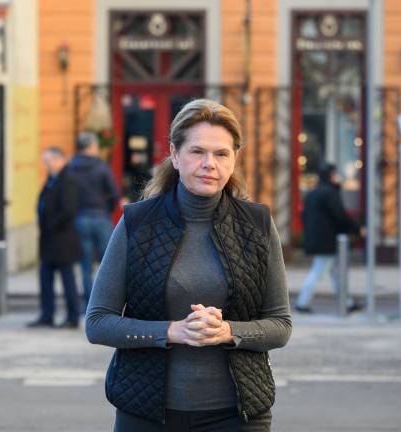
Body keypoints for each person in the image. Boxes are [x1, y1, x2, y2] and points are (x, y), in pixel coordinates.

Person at [86, 99, 291, 431]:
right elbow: (97, 323)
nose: (210, 164)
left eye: (221, 154)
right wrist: (172, 331)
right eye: (198, 151)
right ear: (175, 154)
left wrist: (228, 331)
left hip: (238, 415)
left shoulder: (258, 224)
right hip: (147, 412)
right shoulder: (137, 223)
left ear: (234, 159)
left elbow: (280, 325)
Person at [295, 163, 362, 314]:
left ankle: (347, 302)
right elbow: (340, 216)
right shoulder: (329, 193)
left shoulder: (313, 193)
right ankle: (302, 303)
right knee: (318, 272)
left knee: (336, 273)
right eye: (334, 174)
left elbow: (305, 217)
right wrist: (357, 229)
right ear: (331, 176)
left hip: (319, 239)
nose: (336, 177)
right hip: (327, 241)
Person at [28, 147, 83, 329]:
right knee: (45, 277)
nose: (46, 165)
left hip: (62, 239)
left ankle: (72, 317)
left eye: (49, 161)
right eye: (45, 161)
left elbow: (68, 211)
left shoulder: (68, 180)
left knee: (67, 279)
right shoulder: (52, 179)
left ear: (60, 160)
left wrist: (51, 225)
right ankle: (47, 315)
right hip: (48, 239)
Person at [67, 131, 119, 305]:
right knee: (109, 263)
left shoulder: (70, 168)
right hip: (100, 216)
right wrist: (107, 210)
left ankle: (89, 303)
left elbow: (67, 196)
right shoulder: (101, 167)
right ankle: (108, 303)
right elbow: (114, 193)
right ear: (90, 147)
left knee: (85, 264)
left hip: (80, 218)